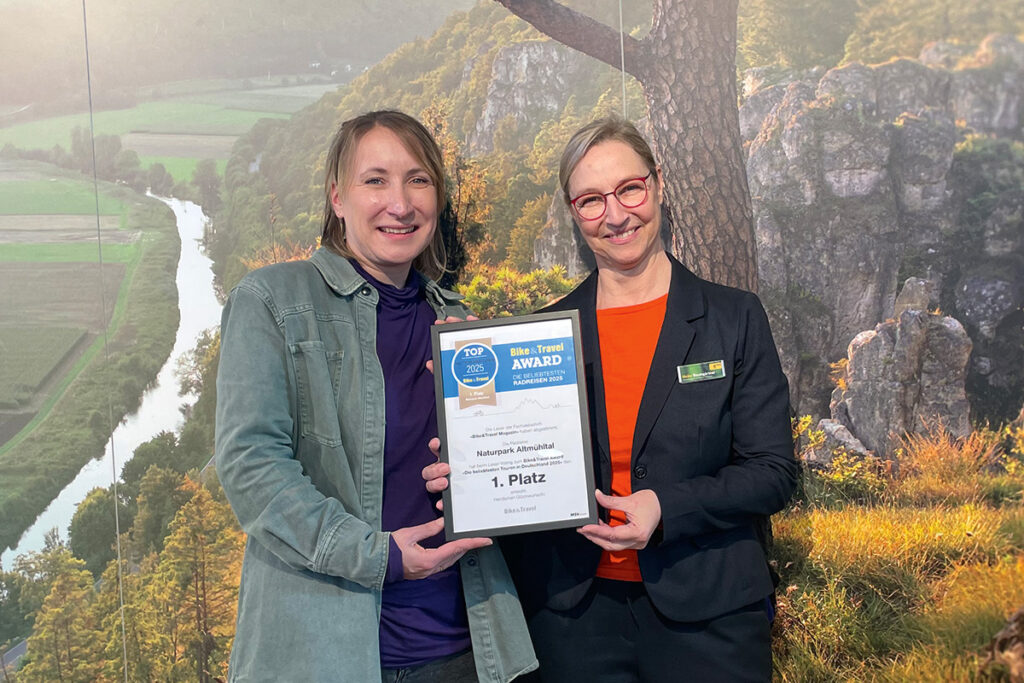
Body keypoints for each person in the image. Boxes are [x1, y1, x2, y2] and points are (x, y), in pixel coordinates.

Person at [426, 117, 797, 682]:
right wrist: (469, 468)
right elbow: (517, 471)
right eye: (592, 200)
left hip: (711, 616)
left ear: (658, 185)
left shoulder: (733, 317)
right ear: (573, 212)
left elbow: (773, 472)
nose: (617, 215)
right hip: (571, 620)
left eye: (629, 189)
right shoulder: (539, 336)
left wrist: (666, 508)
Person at [215, 110, 537, 683]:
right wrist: (380, 557)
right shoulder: (272, 302)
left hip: (467, 651)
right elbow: (251, 467)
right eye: (375, 180)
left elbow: (499, 484)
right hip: (324, 658)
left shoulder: (460, 325)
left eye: (418, 179)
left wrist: (494, 448)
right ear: (337, 199)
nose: (401, 202)